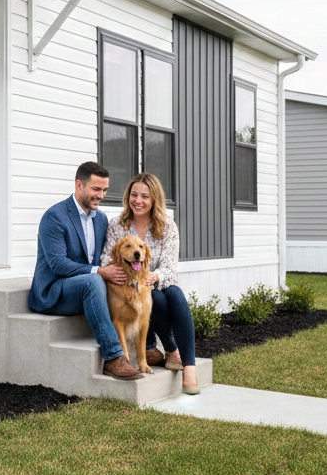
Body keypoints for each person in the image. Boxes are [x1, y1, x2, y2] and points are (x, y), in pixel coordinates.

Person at [29, 162, 143, 380]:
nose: (101, 195)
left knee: (126, 278)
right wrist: (99, 271)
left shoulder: (100, 219)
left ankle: (147, 345)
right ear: (79, 185)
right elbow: (58, 264)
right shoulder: (54, 217)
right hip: (55, 291)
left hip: (87, 287)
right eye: (96, 189)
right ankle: (113, 357)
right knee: (95, 280)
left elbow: (101, 260)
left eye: (105, 190)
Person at [100, 172, 200, 394]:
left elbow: (170, 268)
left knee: (173, 295)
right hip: (130, 287)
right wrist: (118, 273)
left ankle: (189, 368)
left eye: (145, 196)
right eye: (133, 195)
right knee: (155, 298)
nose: (138, 201)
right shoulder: (118, 224)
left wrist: (154, 277)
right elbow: (107, 256)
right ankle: (172, 351)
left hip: (159, 282)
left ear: (154, 199)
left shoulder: (167, 226)